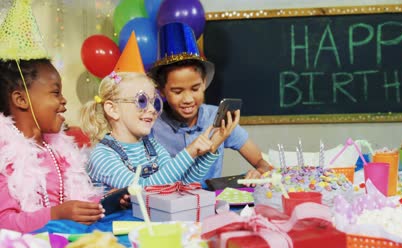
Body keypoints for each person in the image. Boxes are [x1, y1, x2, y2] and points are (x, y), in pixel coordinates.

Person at [0, 0, 108, 233]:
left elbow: (74, 202)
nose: (64, 100)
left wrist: (103, 204)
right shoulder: (4, 156)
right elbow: (4, 222)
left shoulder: (57, 149)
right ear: (21, 100)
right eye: (55, 92)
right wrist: (56, 214)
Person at [82, 32, 239, 189]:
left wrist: (212, 145)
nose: (152, 110)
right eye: (142, 101)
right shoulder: (102, 156)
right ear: (113, 109)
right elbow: (143, 189)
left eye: (155, 103)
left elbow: (181, 183)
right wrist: (189, 152)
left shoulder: (152, 147)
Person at [148, 22, 271, 188]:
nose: (188, 99)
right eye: (177, 91)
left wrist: (260, 172)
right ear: (162, 91)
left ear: (204, 83)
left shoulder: (218, 118)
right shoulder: (152, 127)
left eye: (195, 88)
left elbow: (261, 162)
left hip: (212, 208)